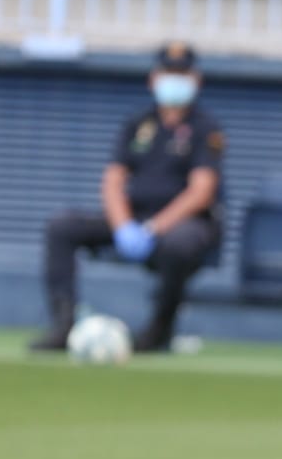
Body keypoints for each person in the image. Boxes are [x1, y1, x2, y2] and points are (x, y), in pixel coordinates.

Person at [30, 43, 226, 354]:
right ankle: (63, 324)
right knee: (62, 227)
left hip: (181, 223)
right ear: (153, 79)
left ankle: (159, 331)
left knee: (181, 243)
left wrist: (152, 229)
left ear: (196, 80)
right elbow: (113, 181)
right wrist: (123, 226)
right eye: (168, 73)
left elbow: (201, 192)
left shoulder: (206, 128)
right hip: (134, 216)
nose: (174, 81)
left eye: (181, 74)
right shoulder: (138, 124)